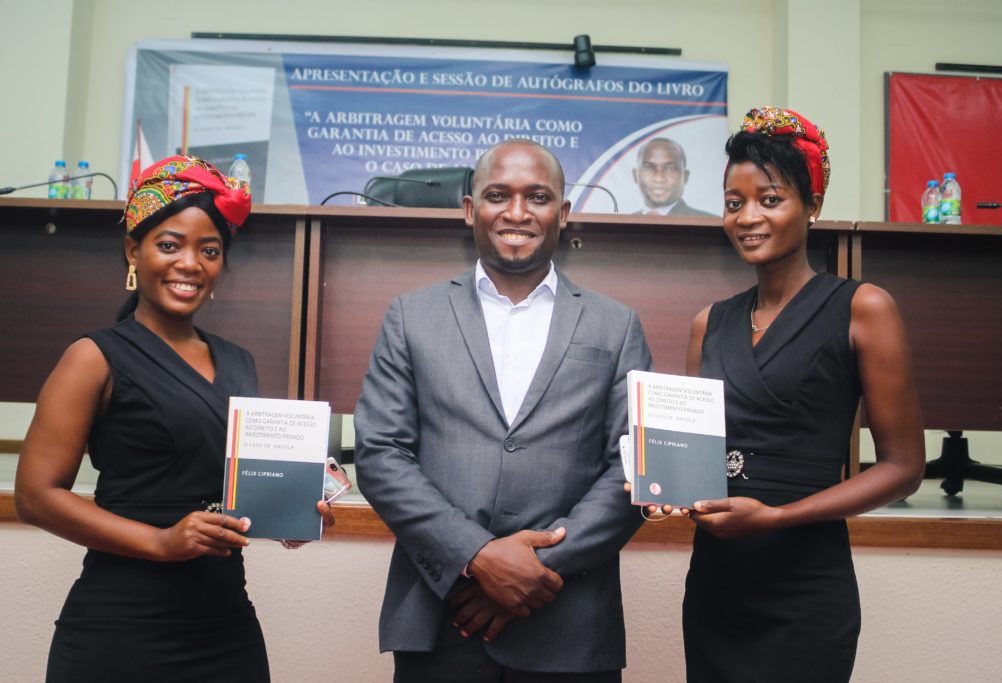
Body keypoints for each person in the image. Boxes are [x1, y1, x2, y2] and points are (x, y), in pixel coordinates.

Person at [14, 155, 333, 682]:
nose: (190, 264)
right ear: (132, 251)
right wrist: (161, 543)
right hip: (121, 629)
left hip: (226, 628)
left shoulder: (239, 362)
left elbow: (234, 488)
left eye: (209, 250)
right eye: (169, 245)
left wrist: (292, 513)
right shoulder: (93, 357)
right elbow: (34, 497)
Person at [355, 139, 652, 682]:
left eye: (537, 196)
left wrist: (534, 568)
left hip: (569, 623)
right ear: (470, 209)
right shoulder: (410, 316)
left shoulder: (617, 325)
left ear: (563, 213)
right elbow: (380, 454)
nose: (517, 213)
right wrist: (477, 557)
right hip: (443, 615)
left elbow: (632, 468)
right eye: (498, 196)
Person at [680, 107, 926, 681]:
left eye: (770, 199)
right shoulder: (708, 323)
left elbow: (904, 467)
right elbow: (692, 459)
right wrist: (663, 486)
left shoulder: (863, 308)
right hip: (716, 586)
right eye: (734, 202)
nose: (748, 217)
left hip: (805, 589)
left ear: (812, 205)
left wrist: (776, 517)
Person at [632, 137, 715, 216]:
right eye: (648, 167)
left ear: (685, 177)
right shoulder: (626, 221)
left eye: (671, 168)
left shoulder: (710, 222)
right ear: (635, 175)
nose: (659, 178)